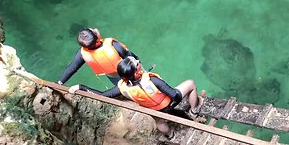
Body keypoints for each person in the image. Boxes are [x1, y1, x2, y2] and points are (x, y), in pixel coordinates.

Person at [69, 56, 204, 139]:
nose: (138, 61)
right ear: (137, 71)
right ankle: (194, 110)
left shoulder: (122, 87)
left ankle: (171, 135)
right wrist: (175, 99)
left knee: (160, 122)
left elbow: (103, 95)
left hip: (155, 111)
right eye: (136, 63)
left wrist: (82, 87)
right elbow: (174, 94)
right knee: (190, 83)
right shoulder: (151, 80)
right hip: (169, 104)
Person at [58, 28, 139, 86]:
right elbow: (131, 57)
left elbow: (72, 68)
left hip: (113, 77)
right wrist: (138, 62)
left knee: (123, 87)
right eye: (94, 31)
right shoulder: (113, 46)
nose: (95, 29)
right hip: (129, 71)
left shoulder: (83, 53)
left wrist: (59, 83)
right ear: (97, 41)